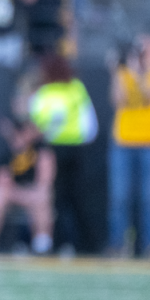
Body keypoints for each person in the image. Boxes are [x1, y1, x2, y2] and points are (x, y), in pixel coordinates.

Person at [29, 55, 98, 255]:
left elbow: (36, 122)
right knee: (71, 199)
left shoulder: (44, 93)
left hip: (55, 150)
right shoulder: (75, 88)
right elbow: (90, 123)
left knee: (58, 199)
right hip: (75, 149)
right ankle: (79, 244)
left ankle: (60, 242)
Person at [107, 34, 150, 257]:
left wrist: (143, 71)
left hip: (149, 140)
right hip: (123, 140)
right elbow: (118, 100)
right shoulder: (124, 73)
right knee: (120, 197)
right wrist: (121, 71)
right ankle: (119, 244)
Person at [0, 116, 56, 254]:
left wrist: (27, 194)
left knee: (42, 196)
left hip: (33, 193)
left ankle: (42, 244)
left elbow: (44, 182)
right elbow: (1, 181)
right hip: (12, 193)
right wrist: (19, 193)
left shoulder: (42, 151)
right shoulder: (7, 151)